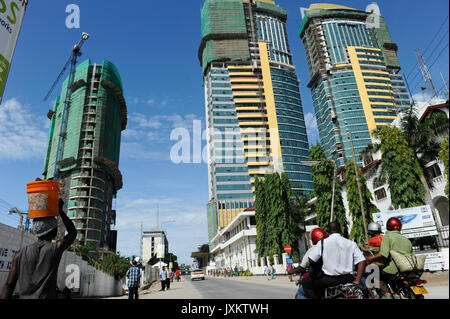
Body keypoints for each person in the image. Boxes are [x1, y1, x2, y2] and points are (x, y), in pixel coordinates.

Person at [1, 199, 76, 299]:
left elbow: (9, 285)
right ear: (53, 231)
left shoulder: (19, 255)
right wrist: (60, 211)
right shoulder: (56, 248)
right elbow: (72, 233)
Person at [302, 221, 366, 299]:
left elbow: (311, 260)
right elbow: (362, 261)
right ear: (341, 230)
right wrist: (357, 280)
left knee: (306, 282)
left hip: (329, 280)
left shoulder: (322, 243)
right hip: (348, 278)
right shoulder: (351, 243)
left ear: (328, 232)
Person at [366, 217, 413, 299]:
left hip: (394, 269)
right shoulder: (406, 239)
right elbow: (412, 255)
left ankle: (386, 294)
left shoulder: (387, 237)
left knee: (376, 275)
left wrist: (370, 259)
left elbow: (384, 254)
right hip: (408, 268)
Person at [288, 228, 328, 299]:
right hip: (333, 278)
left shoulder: (313, 249)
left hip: (320, 279)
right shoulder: (330, 247)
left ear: (313, 238)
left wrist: (291, 271)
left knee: (301, 292)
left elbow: (302, 267)